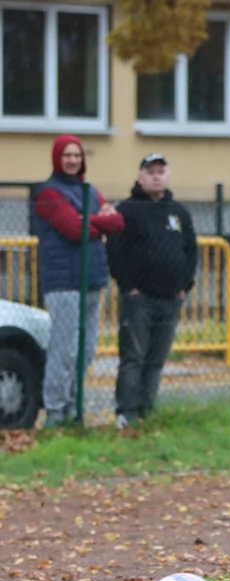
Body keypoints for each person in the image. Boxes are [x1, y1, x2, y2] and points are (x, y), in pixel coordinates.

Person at [32, 134, 125, 427]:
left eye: (76, 155)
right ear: (57, 158)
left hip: (92, 280)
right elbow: (74, 230)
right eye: (66, 155)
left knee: (86, 350)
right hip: (63, 285)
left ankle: (74, 403)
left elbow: (118, 223)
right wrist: (95, 219)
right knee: (63, 348)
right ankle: (56, 409)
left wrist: (88, 218)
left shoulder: (89, 190)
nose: (72, 160)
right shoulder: (48, 194)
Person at [107, 154, 198, 428]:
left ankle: (148, 410)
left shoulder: (179, 212)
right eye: (151, 171)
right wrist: (128, 286)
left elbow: (190, 250)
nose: (156, 176)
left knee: (156, 360)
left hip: (170, 298)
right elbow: (115, 250)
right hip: (139, 299)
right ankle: (127, 413)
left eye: (161, 171)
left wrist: (184, 286)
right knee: (133, 357)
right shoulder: (128, 210)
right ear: (140, 177)